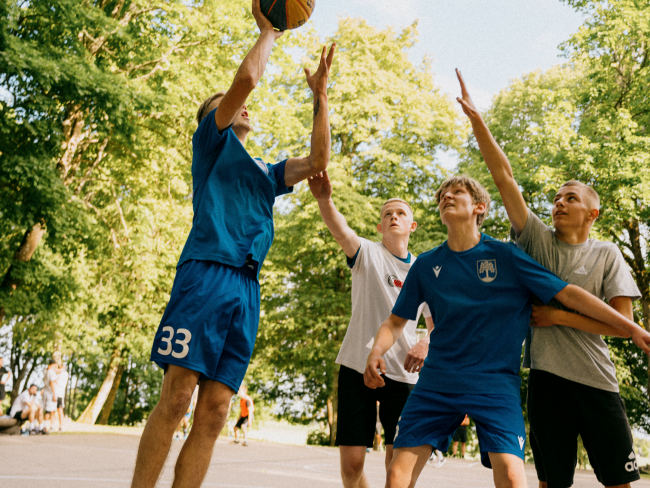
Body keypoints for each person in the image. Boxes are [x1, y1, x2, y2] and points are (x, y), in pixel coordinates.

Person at [130, 0, 335, 485]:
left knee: (217, 412)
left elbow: (320, 158)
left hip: (246, 290)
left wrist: (321, 96)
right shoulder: (211, 143)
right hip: (206, 274)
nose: (243, 104)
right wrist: (271, 30)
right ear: (214, 116)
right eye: (227, 103)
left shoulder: (266, 173)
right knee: (178, 396)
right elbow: (245, 80)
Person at [364, 174, 650, 488]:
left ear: (479, 207)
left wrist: (632, 328)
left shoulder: (508, 257)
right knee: (396, 474)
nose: (447, 196)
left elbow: (568, 294)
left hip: (495, 386)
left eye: (456, 192)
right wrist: (376, 352)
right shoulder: (427, 265)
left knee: (514, 478)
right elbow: (394, 323)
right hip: (437, 383)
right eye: (442, 194)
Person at [455, 69, 647, 488]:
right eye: (557, 198)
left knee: (620, 482)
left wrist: (561, 318)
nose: (559, 203)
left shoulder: (607, 254)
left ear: (591, 213)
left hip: (597, 381)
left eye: (571, 198)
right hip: (547, 383)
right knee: (550, 483)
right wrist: (477, 120)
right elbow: (505, 178)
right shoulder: (538, 242)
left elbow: (622, 326)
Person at [308, 171, 434, 488]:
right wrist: (325, 199)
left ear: (411, 225)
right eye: (387, 214)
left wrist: (426, 344)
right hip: (357, 365)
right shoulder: (366, 253)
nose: (393, 217)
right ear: (379, 226)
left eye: (401, 213)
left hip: (404, 374)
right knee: (351, 467)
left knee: (398, 471)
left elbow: (436, 325)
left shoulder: (424, 271)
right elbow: (340, 230)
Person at [42, 359, 57, 433]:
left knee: (47, 410)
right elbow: (52, 383)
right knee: (50, 410)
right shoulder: (52, 372)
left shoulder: (46, 371)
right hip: (50, 393)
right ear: (53, 365)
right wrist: (54, 394)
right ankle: (47, 427)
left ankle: (45, 426)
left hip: (45, 391)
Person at [55, 363, 69, 431]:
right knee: (52, 410)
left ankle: (61, 426)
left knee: (60, 410)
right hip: (54, 394)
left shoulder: (64, 374)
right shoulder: (58, 374)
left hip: (60, 395)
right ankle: (52, 426)